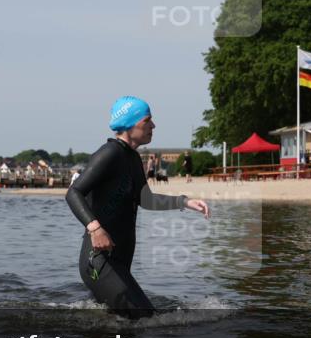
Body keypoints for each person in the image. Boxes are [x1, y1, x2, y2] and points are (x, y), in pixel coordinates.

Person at [65, 96, 210, 319]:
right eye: (147, 120)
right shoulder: (109, 153)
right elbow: (73, 192)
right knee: (146, 319)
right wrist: (95, 228)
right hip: (100, 260)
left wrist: (184, 201)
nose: (153, 125)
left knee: (120, 328)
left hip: (120, 260)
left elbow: (146, 200)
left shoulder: (132, 158)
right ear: (130, 124)